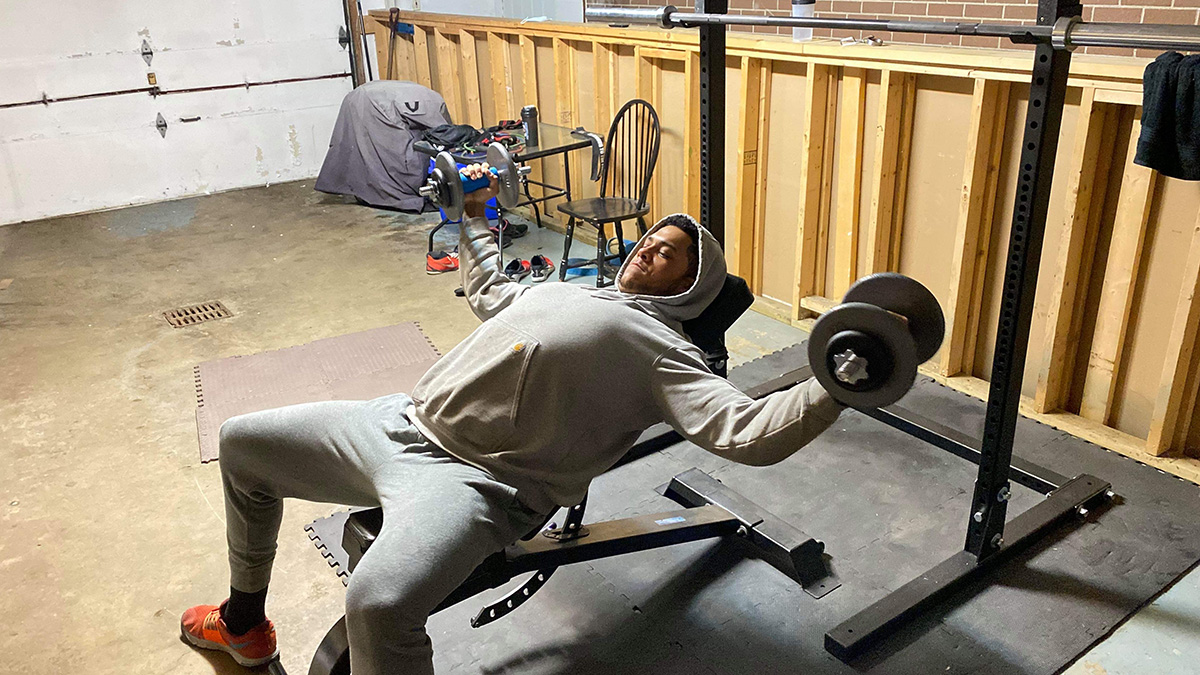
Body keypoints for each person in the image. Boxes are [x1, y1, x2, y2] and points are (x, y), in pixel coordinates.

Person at [180, 164, 845, 674]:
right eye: (649, 240)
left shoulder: (667, 351)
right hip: (399, 424)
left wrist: (841, 379)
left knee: (379, 605)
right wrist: (469, 215)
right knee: (242, 442)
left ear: (693, 286)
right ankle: (243, 623)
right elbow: (492, 289)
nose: (646, 249)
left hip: (476, 483)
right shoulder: (568, 287)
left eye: (668, 252)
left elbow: (748, 433)